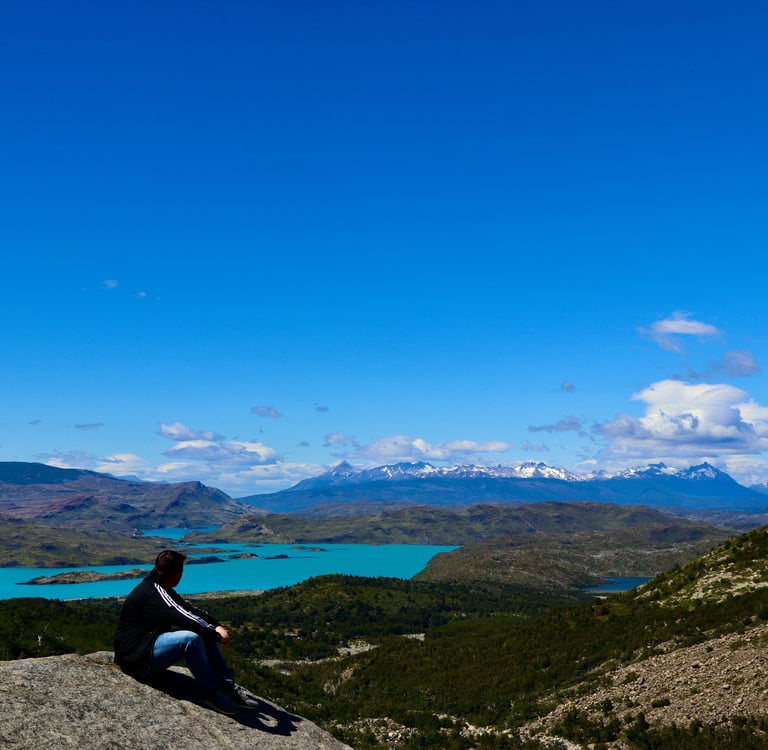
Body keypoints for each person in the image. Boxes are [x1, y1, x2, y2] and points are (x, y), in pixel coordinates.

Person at [114, 549, 258, 715]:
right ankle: (211, 694)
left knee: (201, 632)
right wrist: (216, 635)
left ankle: (226, 687)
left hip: (144, 647)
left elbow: (188, 609)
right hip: (135, 658)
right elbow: (186, 618)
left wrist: (215, 626)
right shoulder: (155, 592)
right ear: (176, 573)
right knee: (191, 639)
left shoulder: (159, 586)